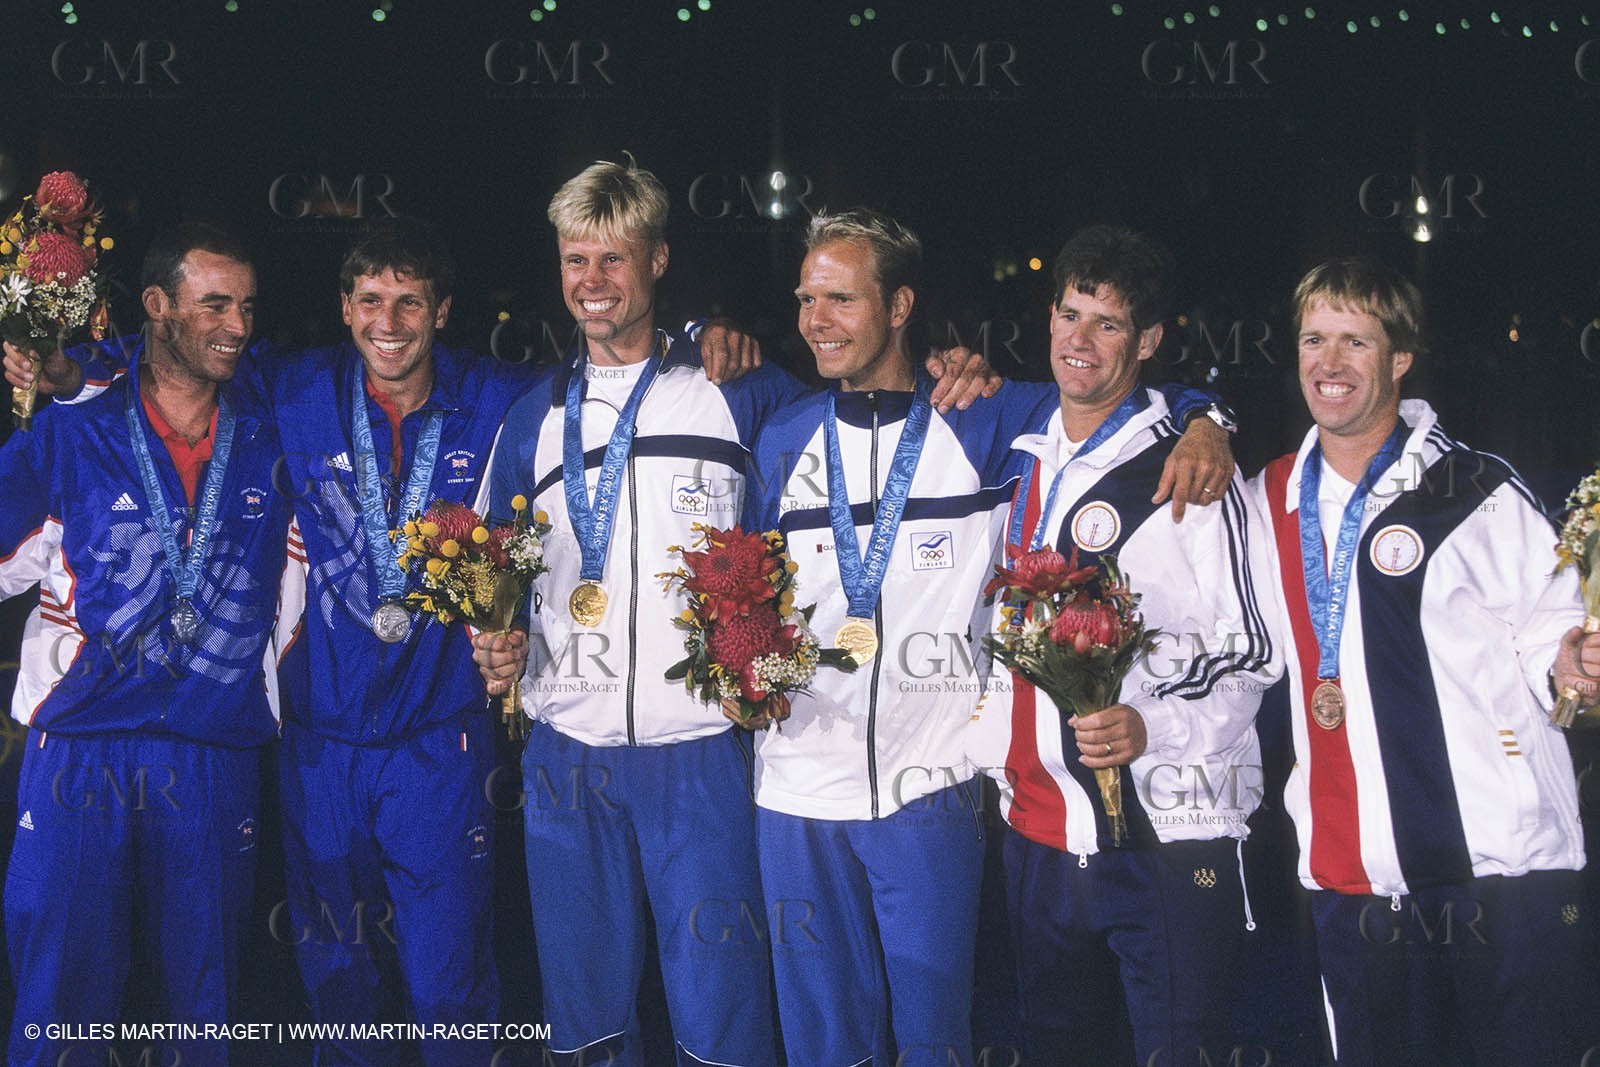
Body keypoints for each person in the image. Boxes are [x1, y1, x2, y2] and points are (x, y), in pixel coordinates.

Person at [6, 216, 772, 1066]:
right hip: (319, 746)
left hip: (439, 744)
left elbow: (610, 364)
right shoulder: (290, 387)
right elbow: (178, 353)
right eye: (371, 300)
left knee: (450, 989)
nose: (390, 322)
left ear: (443, 312)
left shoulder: (499, 397)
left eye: (411, 302)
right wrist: (71, 366)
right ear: (344, 307)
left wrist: (701, 335)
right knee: (338, 988)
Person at [470, 158, 1004, 1067]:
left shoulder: (744, 396)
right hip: (568, 752)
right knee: (583, 1013)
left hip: (706, 750)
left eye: (614, 261)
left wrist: (959, 367)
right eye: (574, 262)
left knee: (722, 1017)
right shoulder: (529, 417)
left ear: (659, 260)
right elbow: (490, 564)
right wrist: (495, 634)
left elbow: (858, 434)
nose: (592, 284)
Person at [742, 210, 1235, 1066]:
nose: (815, 320)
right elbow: (746, 596)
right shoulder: (782, 434)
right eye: (806, 298)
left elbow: (1117, 398)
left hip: (931, 785)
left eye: (840, 299)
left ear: (899, 306)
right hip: (794, 789)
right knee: (824, 1046)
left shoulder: (985, 418)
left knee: (937, 1040)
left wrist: (1209, 419)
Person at [1249, 257, 1600, 1064]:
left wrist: (1574, 660)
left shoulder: (1474, 488)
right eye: (1314, 340)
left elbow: (1554, 631)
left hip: (1499, 866)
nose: (1329, 365)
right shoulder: (1268, 499)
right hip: (1352, 871)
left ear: (1399, 359)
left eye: (1355, 342)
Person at [968, 224, 1279, 1066]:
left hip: (1167, 833)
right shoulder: (1022, 455)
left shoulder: (1192, 469)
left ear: (1147, 341)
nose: (1080, 340)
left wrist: (1152, 725)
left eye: (1108, 324)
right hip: (1037, 835)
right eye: (1070, 314)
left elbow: (1252, 651)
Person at [0, 222, 292, 1067]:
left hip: (212, 747)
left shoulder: (272, 426)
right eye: (213, 304)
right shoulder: (74, 427)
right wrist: (61, 376)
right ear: (156, 307)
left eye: (245, 304)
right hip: (83, 747)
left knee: (208, 1010)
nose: (237, 324)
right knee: (60, 1002)